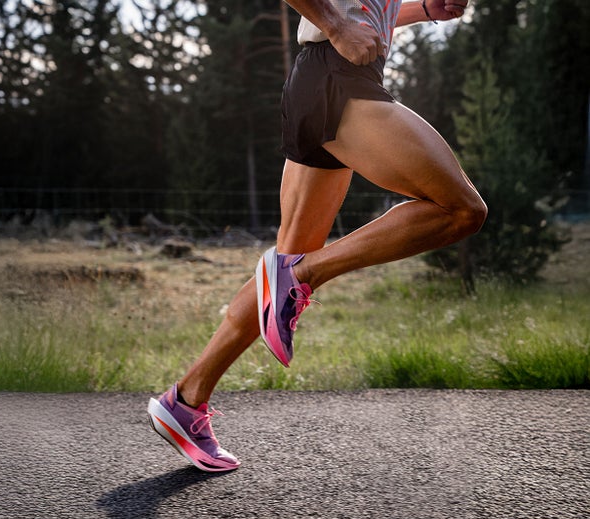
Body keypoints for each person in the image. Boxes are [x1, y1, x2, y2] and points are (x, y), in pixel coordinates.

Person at [147, 0, 487, 472]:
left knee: (279, 272)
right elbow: (349, 17)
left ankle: (185, 400)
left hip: (325, 79)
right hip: (335, 77)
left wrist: (425, 10)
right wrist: (336, 24)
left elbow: (373, 10)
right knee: (460, 210)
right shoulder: (335, 35)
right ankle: (305, 275)